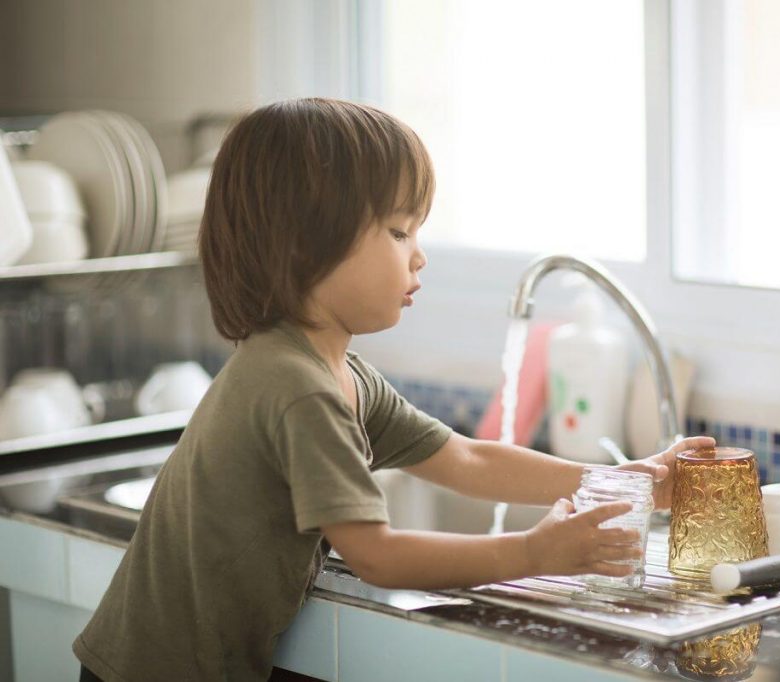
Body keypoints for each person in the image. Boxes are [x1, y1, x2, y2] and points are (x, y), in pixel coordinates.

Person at [72, 98, 714, 681]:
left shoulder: (336, 371)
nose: (419, 255)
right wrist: (532, 552)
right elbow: (376, 556)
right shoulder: (297, 387)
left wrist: (616, 480)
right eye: (399, 231)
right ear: (306, 246)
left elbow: (465, 458)